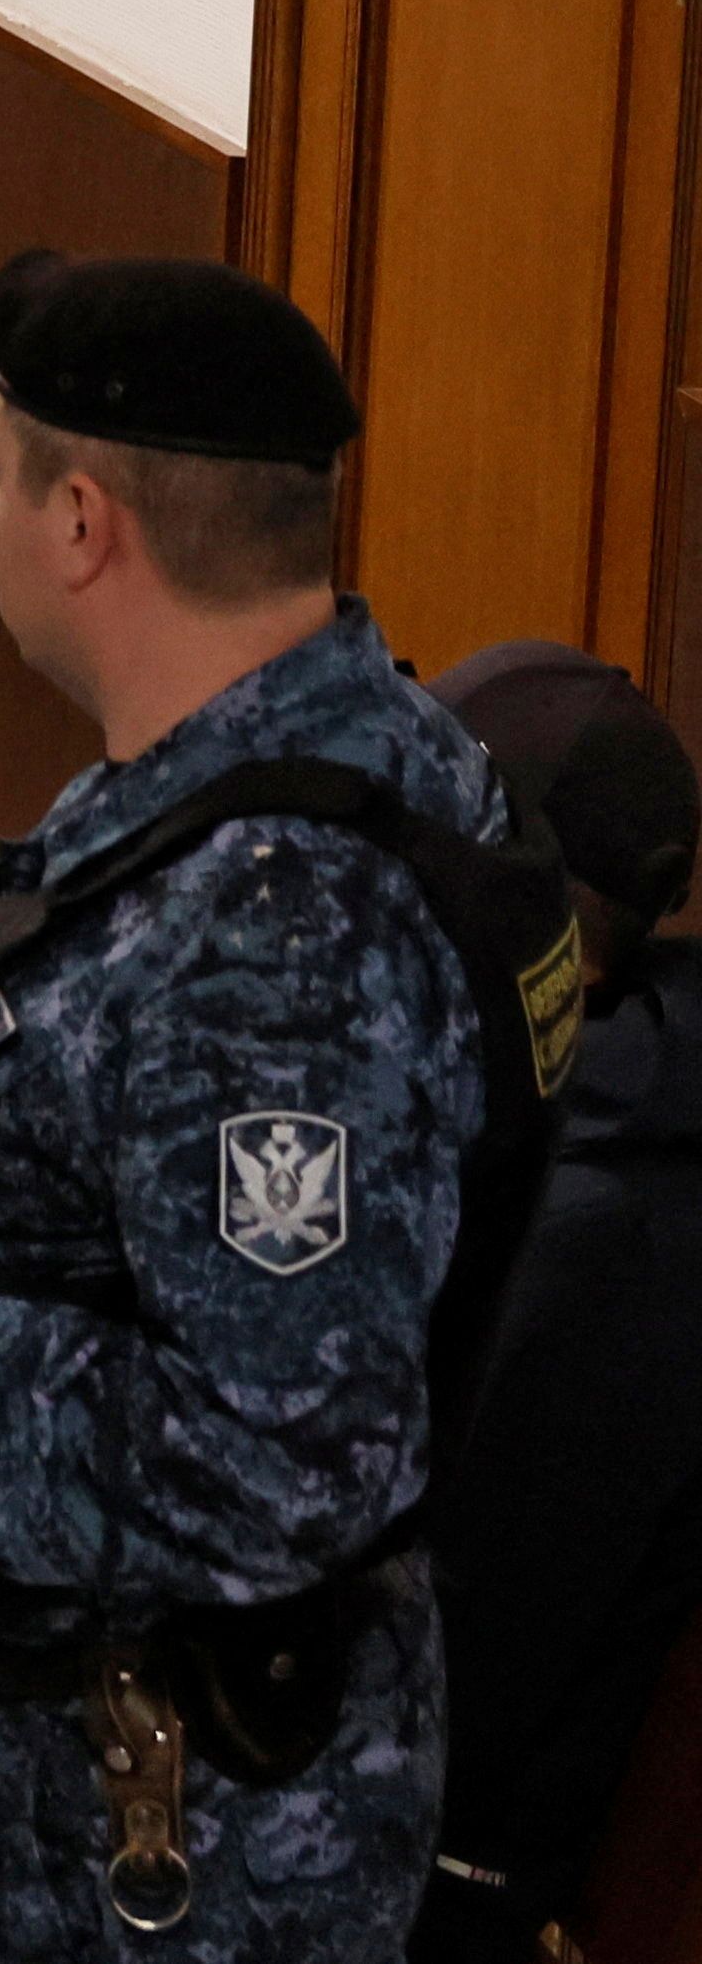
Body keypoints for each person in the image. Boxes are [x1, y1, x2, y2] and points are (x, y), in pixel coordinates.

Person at [0, 253, 579, 1962]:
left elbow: (262, 1465)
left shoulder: (282, 937)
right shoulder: (308, 750)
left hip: (157, 1828)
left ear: (80, 520)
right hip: (58, 1716)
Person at [0, 632, 697, 1964]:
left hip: (291, 1793)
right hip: (132, 1645)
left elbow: (303, 1548)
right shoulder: (455, 1089)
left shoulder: (575, 1244)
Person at [413, 638, 702, 1960]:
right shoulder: (587, 1090)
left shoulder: (582, 1228)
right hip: (332, 1741)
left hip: (407, 1855)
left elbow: (449, 1650)